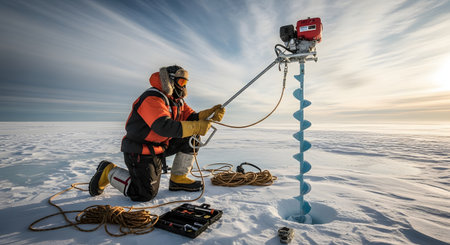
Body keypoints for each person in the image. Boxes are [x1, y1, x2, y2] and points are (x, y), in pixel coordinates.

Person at [88, 65, 225, 202]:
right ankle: (108, 171)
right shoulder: (152, 98)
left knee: (192, 136)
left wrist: (209, 114)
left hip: (159, 146)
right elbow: (163, 126)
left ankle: (178, 179)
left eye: (185, 83)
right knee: (144, 194)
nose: (183, 86)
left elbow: (190, 118)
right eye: (181, 82)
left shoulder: (177, 101)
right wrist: (197, 126)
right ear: (170, 80)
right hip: (140, 151)